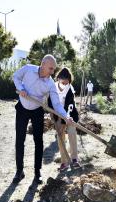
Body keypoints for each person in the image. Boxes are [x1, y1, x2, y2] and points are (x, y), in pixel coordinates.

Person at [12, 54, 73, 184]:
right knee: (20, 139)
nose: (52, 72)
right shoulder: (28, 69)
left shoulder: (50, 84)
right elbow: (16, 77)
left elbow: (56, 104)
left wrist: (66, 116)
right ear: (43, 64)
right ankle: (19, 171)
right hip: (22, 108)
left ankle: (37, 172)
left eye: (53, 69)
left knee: (38, 141)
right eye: (50, 68)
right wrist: (21, 88)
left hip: (37, 109)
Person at [48, 67, 80, 171]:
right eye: (63, 83)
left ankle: (74, 159)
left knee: (71, 131)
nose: (65, 85)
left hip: (70, 115)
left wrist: (67, 118)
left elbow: (70, 107)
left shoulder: (69, 89)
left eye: (67, 83)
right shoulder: (53, 88)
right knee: (60, 137)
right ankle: (64, 162)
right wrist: (55, 120)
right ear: (58, 79)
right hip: (57, 115)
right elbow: (50, 105)